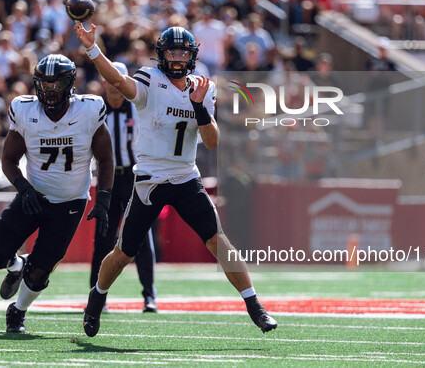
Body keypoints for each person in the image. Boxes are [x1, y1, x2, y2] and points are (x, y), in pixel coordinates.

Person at [75, 23, 278, 337]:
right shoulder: (150, 80)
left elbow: (211, 141)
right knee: (124, 252)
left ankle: (255, 306)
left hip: (185, 176)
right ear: (161, 54)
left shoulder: (203, 88)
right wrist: (92, 49)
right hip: (150, 179)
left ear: (193, 55)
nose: (178, 57)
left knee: (217, 240)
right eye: (172, 51)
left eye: (183, 51)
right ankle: (96, 298)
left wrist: (199, 108)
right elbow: (117, 80)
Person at [0, 54, 114, 333]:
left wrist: (103, 199)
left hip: (70, 201)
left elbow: (105, 159)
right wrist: (24, 188)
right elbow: (8, 160)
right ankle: (16, 265)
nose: (50, 91)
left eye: (56, 85)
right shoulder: (24, 110)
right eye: (45, 84)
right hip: (33, 195)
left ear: (70, 84)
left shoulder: (89, 110)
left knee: (42, 269)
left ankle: (17, 312)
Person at [92, 61, 157, 313]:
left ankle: (149, 295)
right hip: (108, 179)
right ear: (104, 81)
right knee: (103, 237)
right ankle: (97, 294)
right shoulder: (96, 109)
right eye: (111, 79)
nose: (115, 85)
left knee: (142, 236)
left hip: (133, 177)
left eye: (119, 79)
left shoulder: (138, 107)